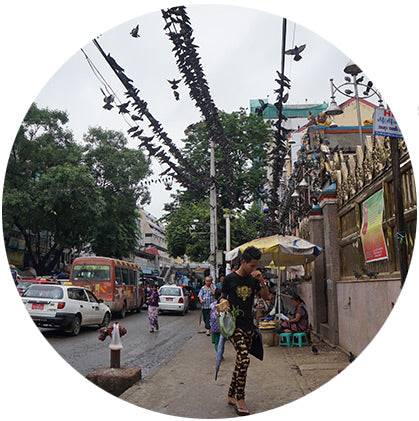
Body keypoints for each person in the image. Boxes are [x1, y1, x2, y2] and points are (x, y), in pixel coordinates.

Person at [220, 246, 269, 416]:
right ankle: (240, 398)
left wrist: (261, 280)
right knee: (244, 358)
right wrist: (223, 305)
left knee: (240, 362)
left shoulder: (253, 279)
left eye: (256, 266)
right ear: (243, 262)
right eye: (252, 266)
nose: (254, 269)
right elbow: (221, 297)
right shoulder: (229, 279)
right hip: (234, 326)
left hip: (249, 326)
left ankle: (230, 394)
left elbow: (266, 296)